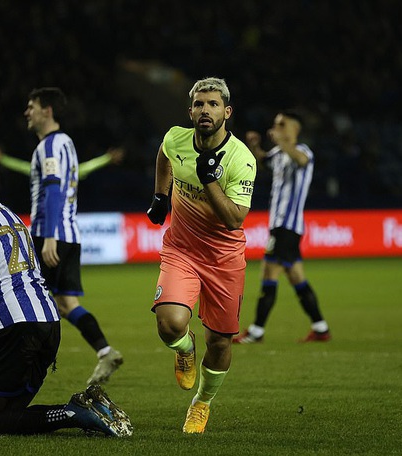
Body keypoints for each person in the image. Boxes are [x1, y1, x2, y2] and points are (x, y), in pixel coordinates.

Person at [0, 156, 132, 437]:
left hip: (14, 328)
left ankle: (74, 412)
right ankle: (86, 408)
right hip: (49, 323)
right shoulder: (10, 215)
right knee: (7, 416)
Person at [146, 77, 256, 434]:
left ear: (226, 112)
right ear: (190, 111)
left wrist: (210, 180)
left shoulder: (241, 159)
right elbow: (164, 155)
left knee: (221, 341)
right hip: (182, 249)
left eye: (212, 105)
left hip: (223, 258)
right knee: (169, 325)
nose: (204, 110)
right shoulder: (176, 138)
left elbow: (234, 219)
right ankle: (184, 348)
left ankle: (202, 404)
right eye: (198, 104)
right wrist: (161, 196)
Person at [24, 87, 122, 385]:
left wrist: (50, 237)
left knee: (31, 300)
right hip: (70, 233)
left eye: (32, 106)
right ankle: (105, 351)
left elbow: (54, 191)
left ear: (47, 110)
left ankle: (26, 366)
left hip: (51, 234)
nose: (27, 112)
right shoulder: (66, 143)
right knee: (67, 304)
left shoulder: (50, 147)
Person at [234, 111, 330, 344]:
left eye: (282, 124)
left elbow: (301, 160)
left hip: (288, 227)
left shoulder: (303, 151)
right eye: (275, 123)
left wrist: (281, 142)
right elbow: (263, 161)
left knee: (269, 273)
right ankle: (320, 327)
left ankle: (257, 331)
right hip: (279, 226)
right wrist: (255, 146)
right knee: (296, 277)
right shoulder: (278, 153)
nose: (276, 127)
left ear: (294, 129)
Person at [0, 144, 125, 180]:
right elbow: (23, 167)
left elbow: (87, 167)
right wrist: (2, 159)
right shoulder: (44, 173)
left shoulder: (68, 173)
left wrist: (107, 159)